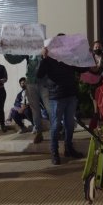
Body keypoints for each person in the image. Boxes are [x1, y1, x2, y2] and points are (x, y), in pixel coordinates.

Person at [37, 34, 88, 165]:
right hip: (57, 96)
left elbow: (81, 68)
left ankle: (68, 148)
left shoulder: (69, 57)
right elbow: (39, 74)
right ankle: (54, 152)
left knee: (70, 125)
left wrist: (88, 57)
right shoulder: (48, 59)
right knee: (55, 125)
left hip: (71, 94)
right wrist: (43, 57)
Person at [25, 55, 50, 143]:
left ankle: (56, 130)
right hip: (31, 82)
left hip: (45, 81)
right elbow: (15, 58)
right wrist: (7, 49)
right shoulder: (27, 45)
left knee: (50, 108)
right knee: (35, 110)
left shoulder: (46, 42)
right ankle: (39, 132)